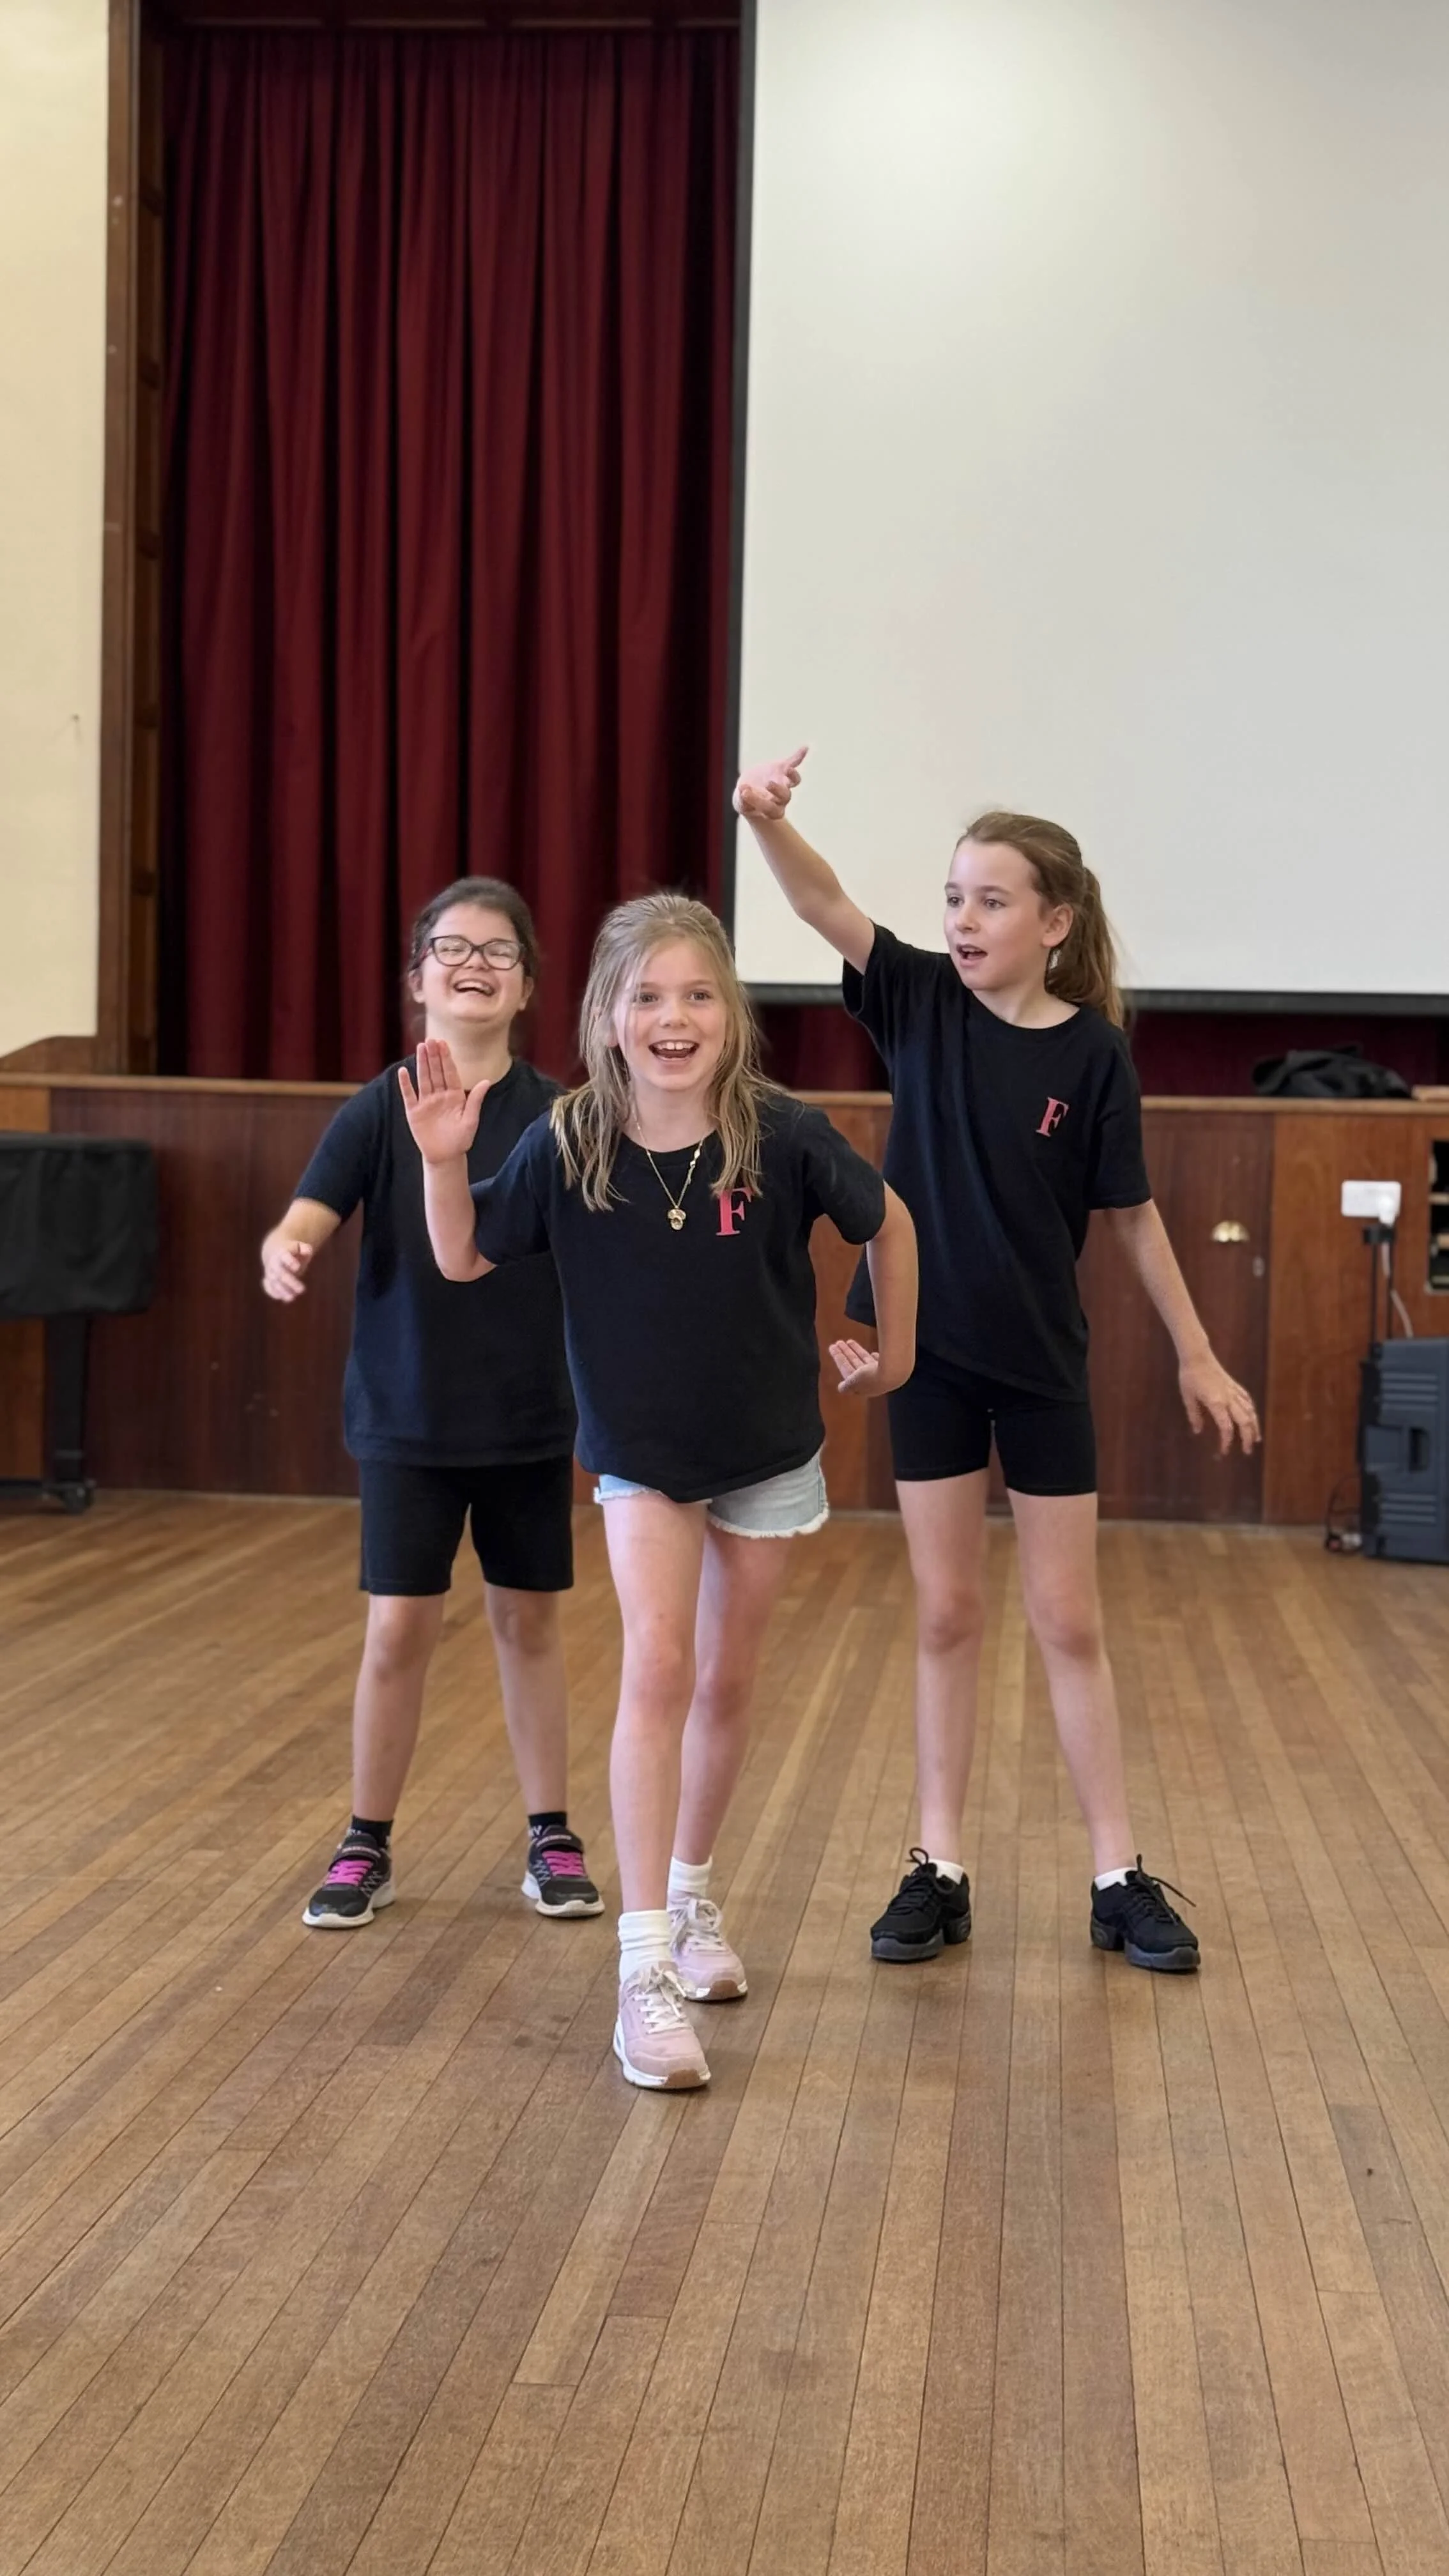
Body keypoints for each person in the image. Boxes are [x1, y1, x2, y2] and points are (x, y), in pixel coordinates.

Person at [735, 748, 1259, 1975]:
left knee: (1068, 1621)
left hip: (1040, 1371)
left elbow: (1130, 1216)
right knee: (950, 1613)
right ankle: (939, 1866)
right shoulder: (916, 998)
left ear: (1054, 922)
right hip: (924, 1362)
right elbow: (821, 903)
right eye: (955, 898)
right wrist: (762, 820)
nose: (963, 921)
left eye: (992, 900)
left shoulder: (1094, 1057)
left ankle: (1117, 1875)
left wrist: (1198, 1353)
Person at [402, 891, 917, 2089]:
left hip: (769, 1449)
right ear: (606, 1015)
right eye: (647, 997)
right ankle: (642, 1970)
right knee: (659, 1666)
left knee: (729, 1676)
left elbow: (887, 1222)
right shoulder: (571, 1140)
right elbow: (463, 1254)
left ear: (729, 1013)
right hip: (639, 1458)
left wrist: (894, 1356)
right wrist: (442, 1163)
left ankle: (691, 1897)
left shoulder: (783, 1135)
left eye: (696, 995)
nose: (673, 1018)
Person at [261, 878, 600, 1933]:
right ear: (418, 981)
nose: (473, 964)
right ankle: (367, 1841)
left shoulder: (561, 1115)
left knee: (527, 1621)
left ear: (528, 986)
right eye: (451, 948)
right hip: (407, 1414)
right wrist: (291, 1242)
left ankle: (551, 1834)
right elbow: (312, 1206)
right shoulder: (381, 1103)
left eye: (497, 951)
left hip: (528, 1412)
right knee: (398, 1629)